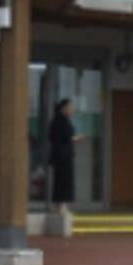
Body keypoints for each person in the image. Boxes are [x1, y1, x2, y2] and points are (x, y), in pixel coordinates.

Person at [48, 98, 79, 235]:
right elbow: (66, 136)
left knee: (62, 180)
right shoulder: (60, 121)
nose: (73, 109)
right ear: (64, 108)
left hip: (61, 155)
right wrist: (75, 138)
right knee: (63, 181)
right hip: (63, 156)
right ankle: (61, 206)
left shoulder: (58, 121)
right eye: (71, 107)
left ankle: (60, 205)